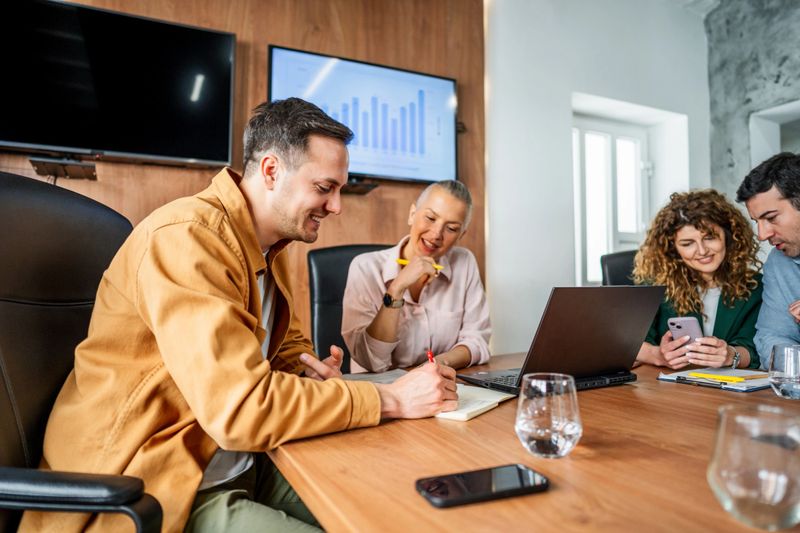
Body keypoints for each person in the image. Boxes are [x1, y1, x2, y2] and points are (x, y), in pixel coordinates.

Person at [20, 98, 458, 533]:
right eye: (325, 188)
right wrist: (391, 399)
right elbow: (241, 409)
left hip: (241, 460)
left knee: (393, 504)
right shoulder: (188, 238)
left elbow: (287, 348)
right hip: (156, 485)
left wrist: (311, 373)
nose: (337, 206)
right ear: (271, 171)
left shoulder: (268, 246)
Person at [341, 180, 491, 372]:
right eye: (430, 218)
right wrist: (397, 288)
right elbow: (373, 361)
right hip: (379, 393)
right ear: (412, 214)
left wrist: (435, 366)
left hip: (438, 386)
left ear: (461, 235)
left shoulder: (464, 262)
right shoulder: (365, 268)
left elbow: (477, 339)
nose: (437, 234)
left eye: (451, 228)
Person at [632, 189, 763, 370]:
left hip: (731, 391)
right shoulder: (655, 286)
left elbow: (757, 349)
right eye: (687, 243)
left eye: (710, 237)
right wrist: (657, 355)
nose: (702, 251)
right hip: (670, 390)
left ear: (729, 235)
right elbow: (627, 344)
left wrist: (731, 355)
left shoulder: (756, 286)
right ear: (673, 248)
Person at [737, 151, 800, 369]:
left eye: (771, 218)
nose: (761, 235)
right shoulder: (779, 262)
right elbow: (772, 338)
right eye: (757, 221)